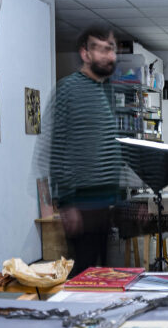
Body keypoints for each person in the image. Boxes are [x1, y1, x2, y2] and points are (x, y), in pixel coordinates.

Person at [46, 25, 122, 277]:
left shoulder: (107, 90)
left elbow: (107, 145)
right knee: (83, 275)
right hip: (81, 206)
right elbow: (56, 147)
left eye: (110, 49)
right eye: (99, 49)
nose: (107, 55)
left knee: (106, 276)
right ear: (85, 54)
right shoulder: (68, 89)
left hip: (106, 204)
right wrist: (66, 203)